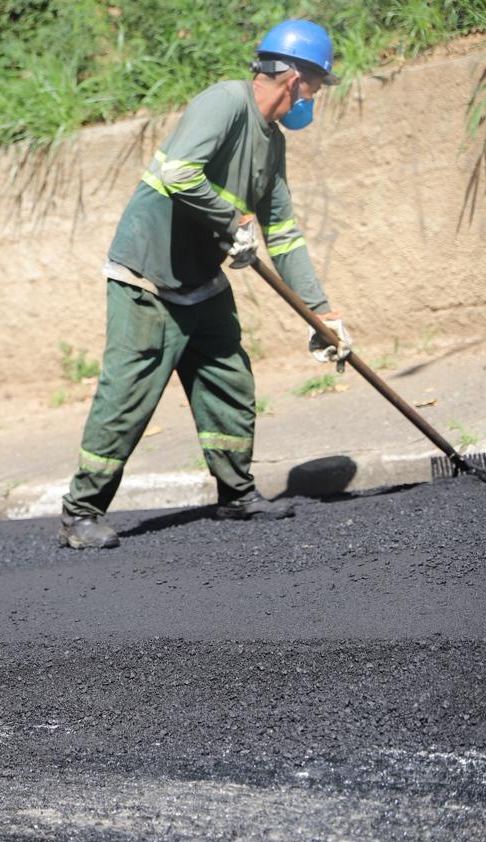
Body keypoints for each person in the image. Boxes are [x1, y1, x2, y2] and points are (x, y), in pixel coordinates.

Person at [58, 20, 353, 550]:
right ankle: (81, 512)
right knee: (128, 397)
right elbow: (178, 174)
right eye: (315, 86)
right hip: (147, 276)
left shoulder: (271, 143)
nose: (313, 98)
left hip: (200, 280)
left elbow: (283, 234)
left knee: (228, 380)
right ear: (294, 80)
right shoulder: (224, 103)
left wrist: (321, 315)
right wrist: (231, 221)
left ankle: (236, 494)